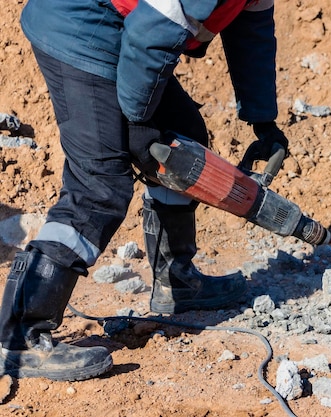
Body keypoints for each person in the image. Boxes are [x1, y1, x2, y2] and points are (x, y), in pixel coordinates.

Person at [0, 0, 289, 382]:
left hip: (124, 26)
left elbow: (250, 28)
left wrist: (262, 119)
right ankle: (19, 335)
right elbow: (151, 34)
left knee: (184, 141)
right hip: (78, 24)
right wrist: (137, 124)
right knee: (99, 186)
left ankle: (176, 281)